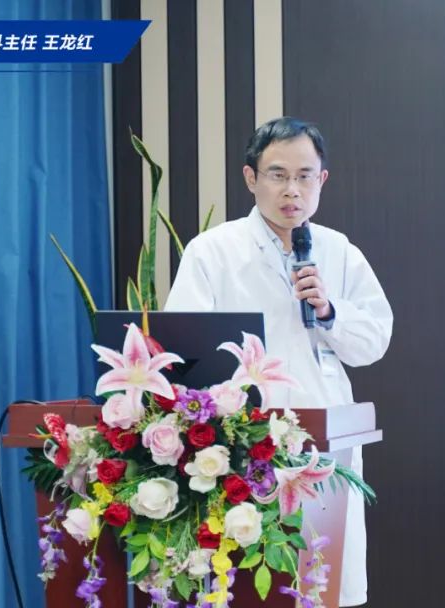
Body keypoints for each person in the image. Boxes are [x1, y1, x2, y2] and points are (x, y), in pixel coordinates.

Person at [165, 116, 393, 606]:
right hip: (242, 448)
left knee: (322, 582)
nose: (293, 190)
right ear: (251, 178)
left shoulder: (339, 252)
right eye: (278, 174)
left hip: (325, 447)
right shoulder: (213, 252)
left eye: (305, 176)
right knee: (247, 584)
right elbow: (181, 353)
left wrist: (329, 312)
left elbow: (374, 341)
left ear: (322, 180)